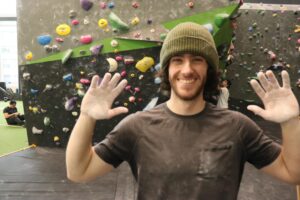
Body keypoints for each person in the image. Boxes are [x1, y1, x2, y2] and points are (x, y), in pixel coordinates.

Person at [66, 22, 300, 199]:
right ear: (167, 70)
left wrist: (291, 122)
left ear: (209, 69)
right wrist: (86, 117)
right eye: (177, 60)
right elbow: (79, 171)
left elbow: (293, 173)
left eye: (197, 59)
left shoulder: (237, 126)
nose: (187, 70)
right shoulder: (136, 126)